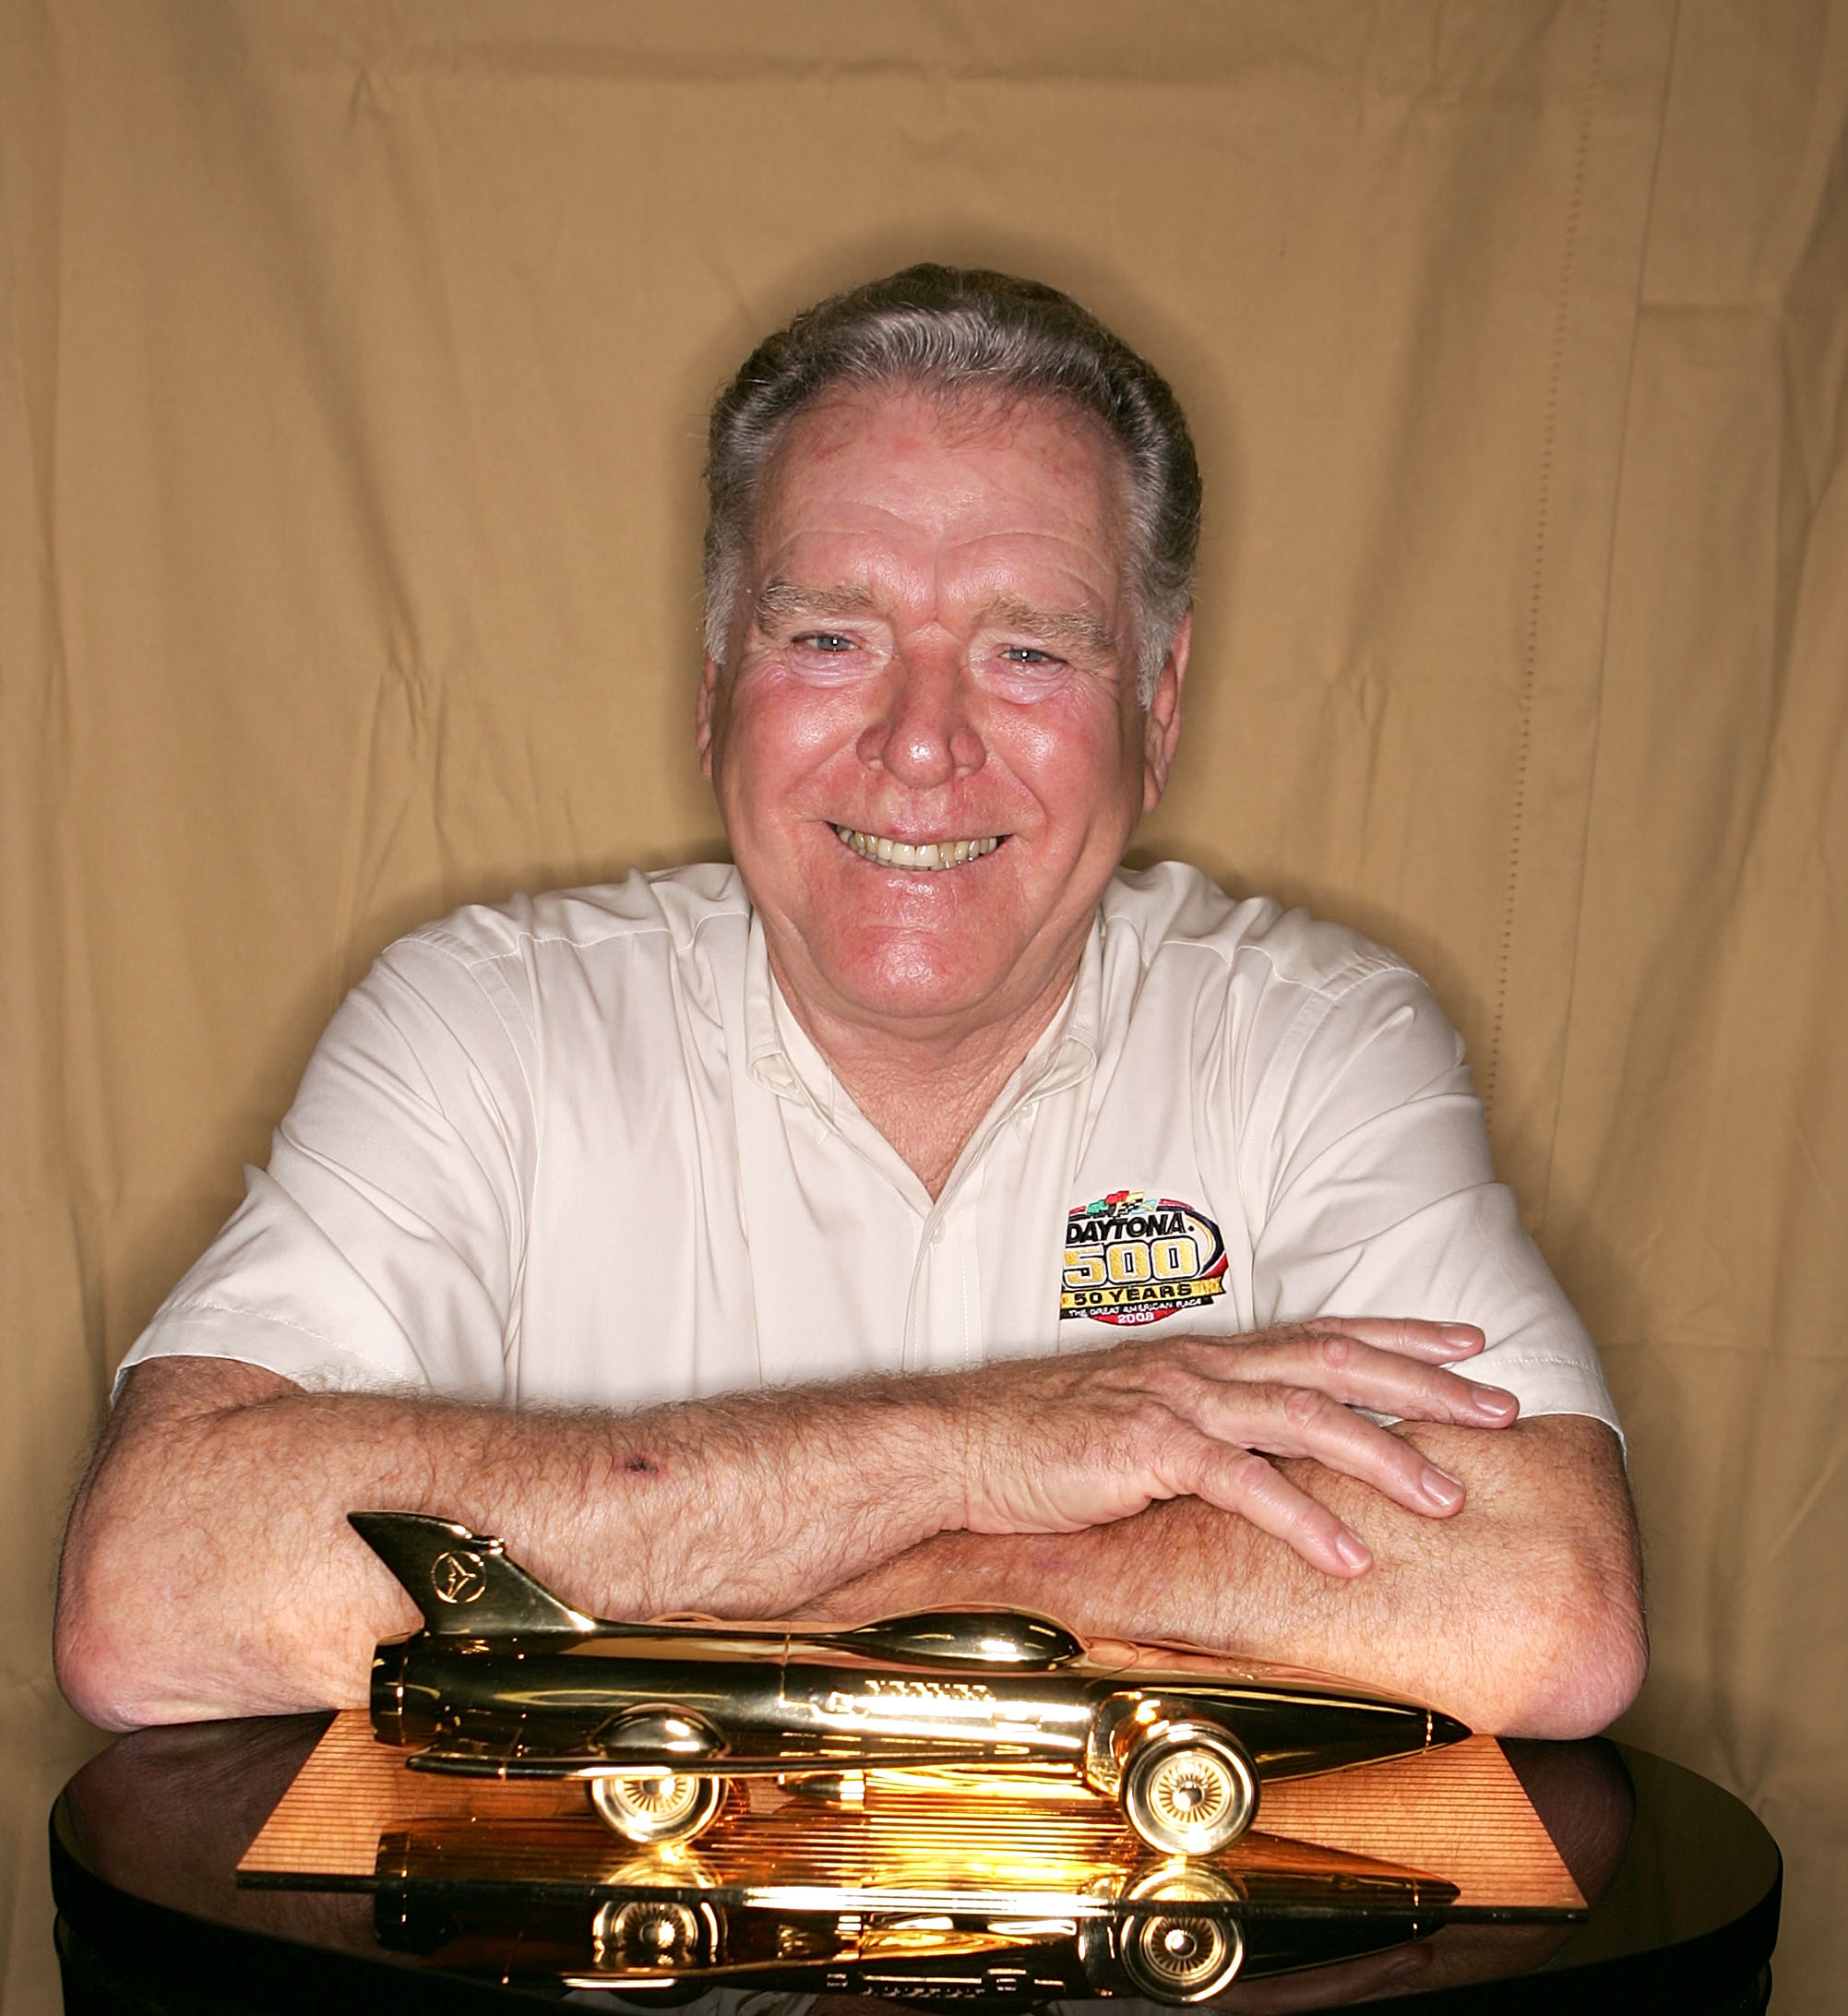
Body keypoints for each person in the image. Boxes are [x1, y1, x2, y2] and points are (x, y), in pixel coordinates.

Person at [54, 265, 1645, 1741]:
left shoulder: (1313, 1042)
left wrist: (724, 1576)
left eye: (1028, 651)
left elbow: (1540, 1608)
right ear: (710, 684)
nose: (923, 743)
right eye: (829, 635)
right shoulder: (480, 1024)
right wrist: (969, 1446)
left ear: (1156, 714)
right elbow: (157, 1595)